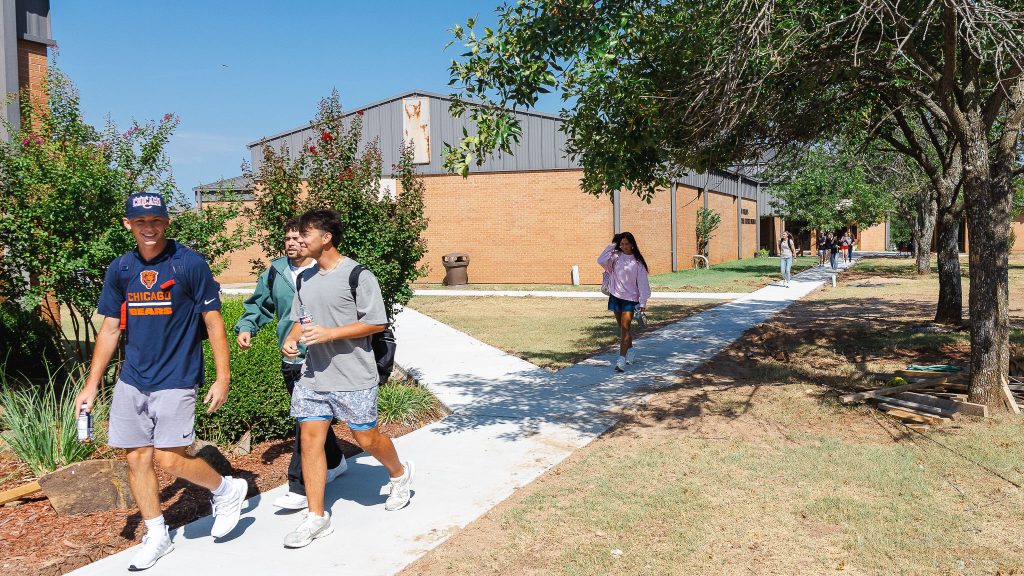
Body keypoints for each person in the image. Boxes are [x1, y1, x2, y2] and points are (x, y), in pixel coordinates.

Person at [74, 192, 248, 571]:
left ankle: (227, 488)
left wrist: (223, 376)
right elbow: (109, 328)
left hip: (177, 375)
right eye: (140, 222)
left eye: (155, 221)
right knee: (136, 458)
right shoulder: (120, 269)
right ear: (128, 225)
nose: (148, 228)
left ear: (167, 223)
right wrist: (91, 385)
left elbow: (213, 322)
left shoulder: (189, 264)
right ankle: (157, 534)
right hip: (133, 378)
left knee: (169, 458)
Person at [280, 208, 414, 549]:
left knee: (367, 438)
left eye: (305, 234)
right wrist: (293, 337)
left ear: (325, 238)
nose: (298, 240)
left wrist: (330, 335)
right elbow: (303, 318)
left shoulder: (358, 275)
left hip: (354, 376)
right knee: (310, 441)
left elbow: (376, 323)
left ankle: (399, 474)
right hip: (313, 377)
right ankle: (316, 517)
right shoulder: (305, 278)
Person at [233, 216, 347, 511]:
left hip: (325, 355)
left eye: (299, 238)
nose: (293, 243)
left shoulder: (325, 269)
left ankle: (299, 485)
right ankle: (334, 461)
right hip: (292, 356)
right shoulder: (276, 271)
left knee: (304, 419)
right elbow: (259, 304)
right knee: (310, 417)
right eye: (288, 239)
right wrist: (247, 326)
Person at [597, 231, 651, 372]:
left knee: (625, 328)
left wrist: (643, 302)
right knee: (622, 328)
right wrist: (614, 244)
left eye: (626, 244)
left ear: (632, 244)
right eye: (622, 244)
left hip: (630, 299)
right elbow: (600, 260)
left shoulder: (638, 263)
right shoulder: (615, 257)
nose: (624, 246)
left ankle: (621, 360)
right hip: (615, 296)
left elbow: (643, 283)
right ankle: (631, 350)